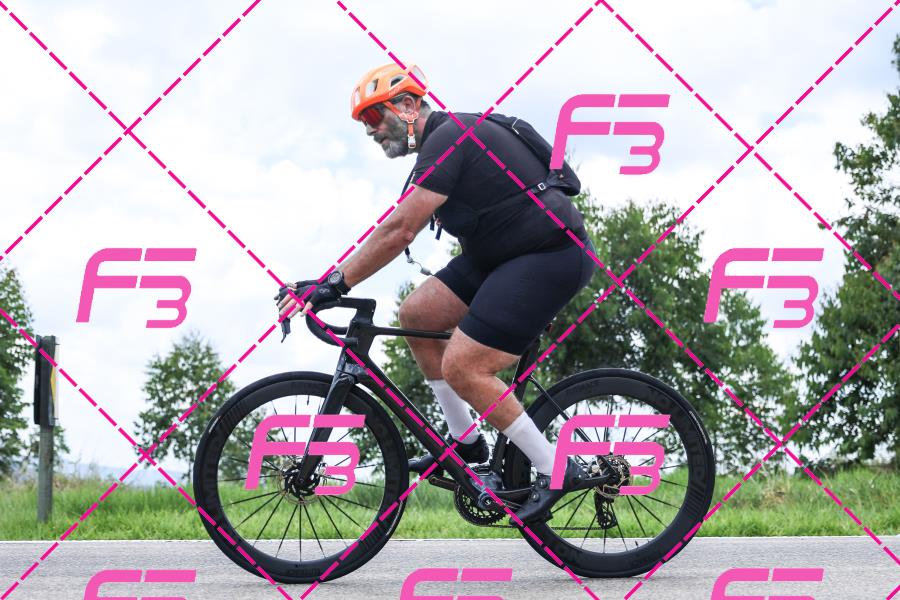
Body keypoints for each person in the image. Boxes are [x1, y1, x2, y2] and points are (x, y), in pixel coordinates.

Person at [277, 63, 598, 522]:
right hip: (501, 255)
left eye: (373, 117)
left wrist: (334, 282)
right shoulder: (438, 146)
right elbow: (397, 226)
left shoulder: (450, 138)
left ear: (409, 106)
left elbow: (399, 230)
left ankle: (555, 468)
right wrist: (334, 279)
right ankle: (466, 442)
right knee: (418, 314)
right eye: (363, 123)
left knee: (464, 366)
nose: (369, 131)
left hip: (549, 254)